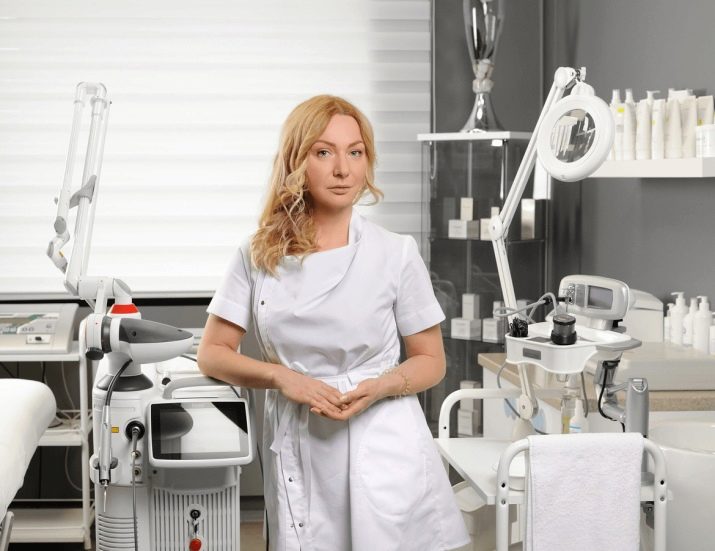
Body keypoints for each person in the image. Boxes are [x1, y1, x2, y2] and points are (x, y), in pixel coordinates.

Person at [197, 95, 470, 551]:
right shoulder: (258, 254)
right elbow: (213, 353)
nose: (343, 169)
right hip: (301, 440)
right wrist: (282, 378)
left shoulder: (395, 253)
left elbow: (431, 361)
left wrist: (380, 386)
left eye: (355, 152)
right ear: (296, 162)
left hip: (384, 439)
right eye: (324, 152)